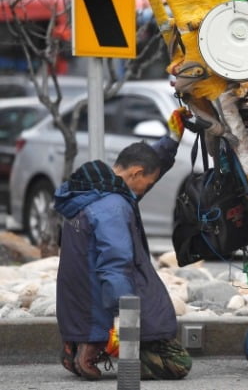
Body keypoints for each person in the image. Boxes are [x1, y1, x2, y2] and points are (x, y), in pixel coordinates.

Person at [54, 107, 192, 380]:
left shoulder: (94, 192)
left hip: (79, 306)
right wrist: (124, 316)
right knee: (179, 363)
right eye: (148, 182)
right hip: (101, 308)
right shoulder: (113, 207)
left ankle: (79, 345)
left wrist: (173, 138)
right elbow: (115, 263)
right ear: (136, 174)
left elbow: (149, 162)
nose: (146, 188)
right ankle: (96, 346)